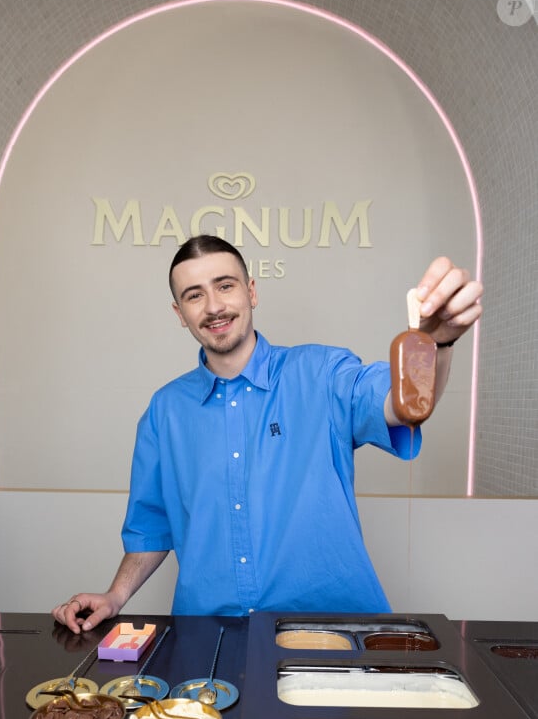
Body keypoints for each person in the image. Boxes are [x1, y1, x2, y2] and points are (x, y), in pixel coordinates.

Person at [52, 235, 482, 633]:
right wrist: (115, 595)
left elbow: (402, 402)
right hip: (209, 641)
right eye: (194, 295)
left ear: (251, 292)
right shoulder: (164, 412)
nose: (213, 306)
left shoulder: (323, 374)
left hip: (332, 632)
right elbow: (150, 530)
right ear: (179, 314)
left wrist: (435, 344)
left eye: (225, 286)